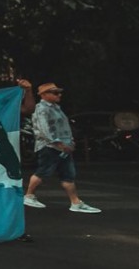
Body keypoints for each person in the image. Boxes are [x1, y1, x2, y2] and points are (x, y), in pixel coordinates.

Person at [24, 83, 100, 213]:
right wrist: (58, 143)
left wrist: (69, 142)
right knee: (43, 171)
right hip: (50, 146)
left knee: (68, 174)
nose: (59, 95)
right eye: (54, 93)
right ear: (44, 95)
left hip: (63, 147)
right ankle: (29, 195)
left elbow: (63, 127)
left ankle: (75, 202)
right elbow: (44, 129)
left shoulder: (56, 108)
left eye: (59, 92)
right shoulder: (41, 109)